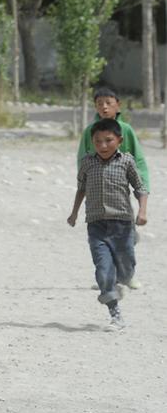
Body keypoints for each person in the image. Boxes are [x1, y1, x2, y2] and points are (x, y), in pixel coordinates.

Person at [67, 118, 148, 330]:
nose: (103, 146)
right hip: (96, 226)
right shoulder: (87, 162)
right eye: (97, 141)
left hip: (122, 224)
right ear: (92, 142)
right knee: (103, 271)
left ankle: (125, 269)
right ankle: (115, 315)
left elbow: (140, 188)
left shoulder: (126, 162)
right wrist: (74, 213)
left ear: (119, 140)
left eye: (108, 140)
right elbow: (81, 189)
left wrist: (142, 211)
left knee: (126, 268)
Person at [77, 87, 150, 289]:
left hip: (120, 189)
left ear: (118, 105)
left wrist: (142, 187)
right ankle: (109, 276)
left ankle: (127, 275)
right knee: (101, 236)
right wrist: (84, 183)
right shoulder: (89, 131)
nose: (104, 107)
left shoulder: (126, 130)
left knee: (126, 234)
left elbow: (139, 160)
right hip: (98, 190)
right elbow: (82, 158)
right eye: (100, 103)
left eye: (109, 102)